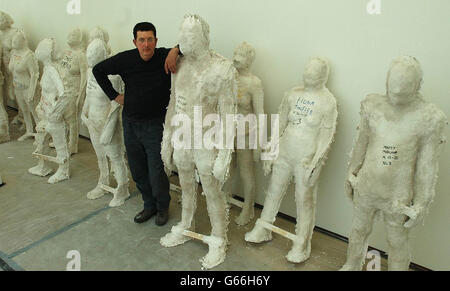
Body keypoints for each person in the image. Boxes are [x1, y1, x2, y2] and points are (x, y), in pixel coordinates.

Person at [340, 56, 448, 271]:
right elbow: (361, 142)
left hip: (398, 193)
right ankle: (351, 264)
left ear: (417, 86)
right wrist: (351, 173)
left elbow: (426, 167)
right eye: (392, 89)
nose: (396, 96)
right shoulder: (373, 105)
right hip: (367, 184)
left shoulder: (429, 118)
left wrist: (421, 203)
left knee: (397, 241)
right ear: (387, 81)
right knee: (359, 228)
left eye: (403, 92)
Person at [160, 14, 238, 269]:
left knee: (212, 188)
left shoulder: (223, 69)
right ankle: (186, 223)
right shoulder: (179, 64)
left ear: (204, 37)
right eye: (180, 34)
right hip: (183, 134)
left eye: (189, 35)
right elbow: (173, 102)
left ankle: (218, 237)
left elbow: (229, 116)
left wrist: (225, 155)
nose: (182, 39)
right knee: (185, 182)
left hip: (208, 137)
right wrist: (167, 140)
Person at [245, 57, 338, 263]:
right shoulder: (293, 94)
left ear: (323, 76)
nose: (307, 77)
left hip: (305, 159)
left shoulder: (327, 101)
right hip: (285, 152)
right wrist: (271, 151)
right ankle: (264, 227)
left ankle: (302, 241)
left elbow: (326, 136)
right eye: (306, 73)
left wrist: (316, 164)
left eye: (312, 74)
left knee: (304, 199)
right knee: (273, 190)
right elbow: (280, 123)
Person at [93, 22, 180, 226]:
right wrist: (114, 95)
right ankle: (148, 205)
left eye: (150, 39)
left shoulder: (162, 56)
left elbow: (191, 45)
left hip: (155, 125)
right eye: (142, 40)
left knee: (156, 170)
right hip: (131, 123)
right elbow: (98, 70)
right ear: (135, 42)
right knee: (138, 169)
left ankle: (162, 207)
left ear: (156, 41)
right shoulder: (126, 59)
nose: (146, 44)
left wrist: (175, 50)